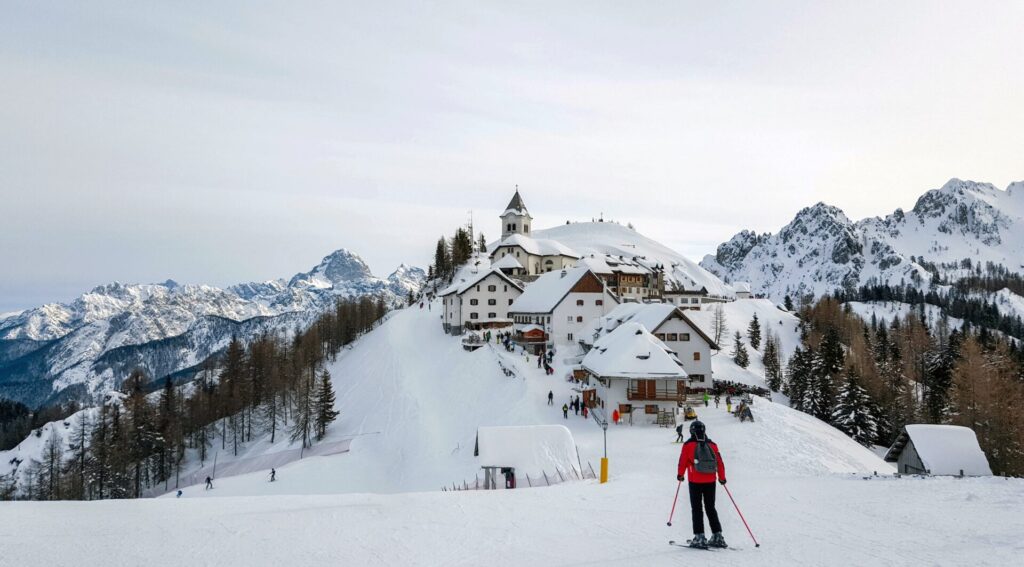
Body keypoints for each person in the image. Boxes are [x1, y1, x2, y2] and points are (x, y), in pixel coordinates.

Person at [676, 420, 727, 549]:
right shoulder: (712, 445)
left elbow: (683, 461)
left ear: (692, 431)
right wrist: (722, 478)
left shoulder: (688, 445)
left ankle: (699, 537)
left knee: (697, 508)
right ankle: (717, 536)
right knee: (711, 507)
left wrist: (680, 475)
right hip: (711, 481)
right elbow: (719, 462)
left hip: (695, 481)